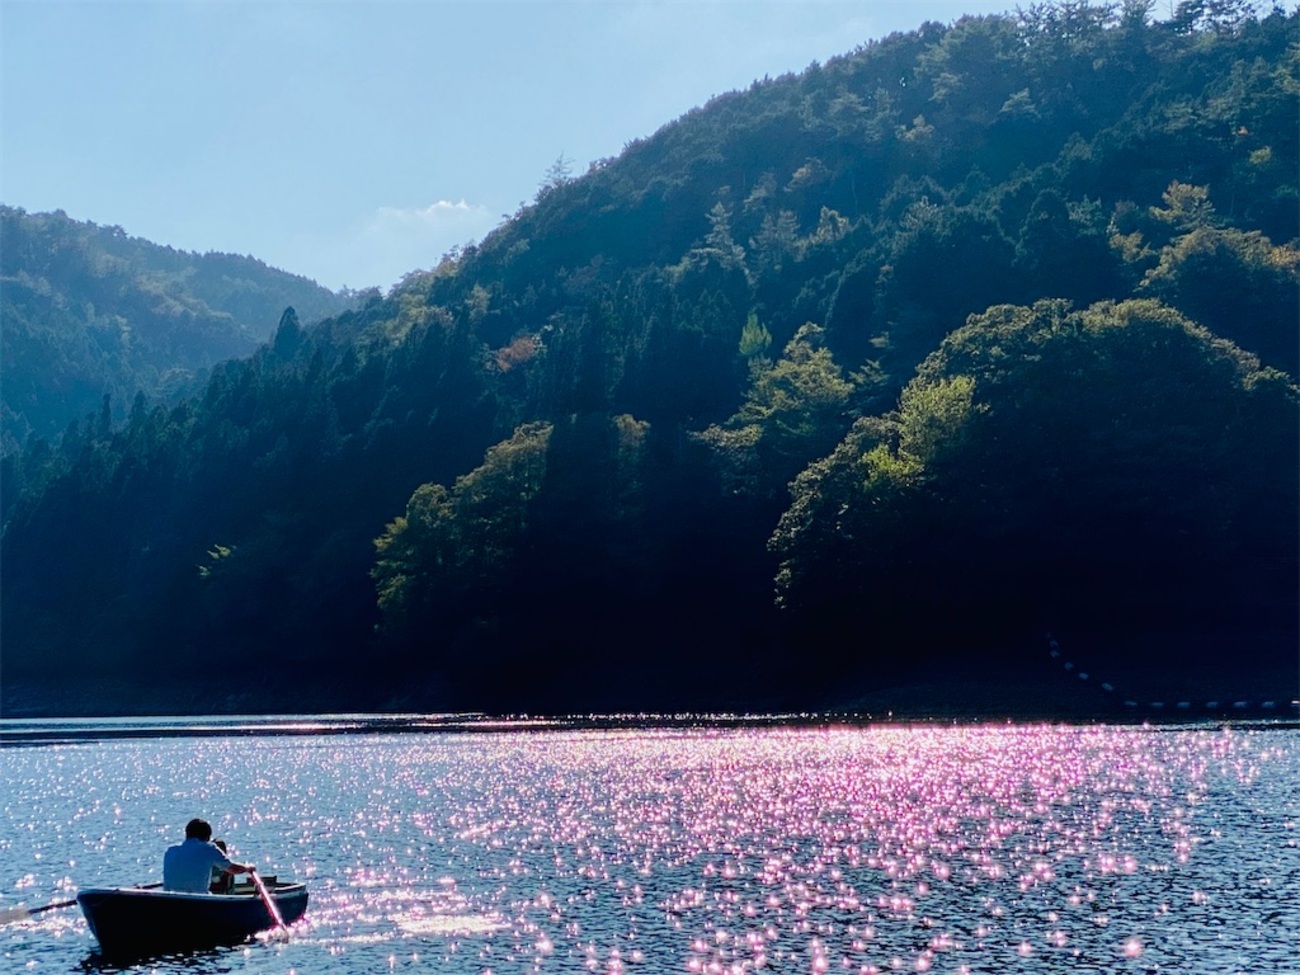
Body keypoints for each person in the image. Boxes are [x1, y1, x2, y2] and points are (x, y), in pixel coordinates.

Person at [163, 819, 255, 893]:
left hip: (170, 901)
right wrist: (248, 868)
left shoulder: (170, 851)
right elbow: (233, 869)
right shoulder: (209, 849)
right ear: (207, 838)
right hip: (198, 902)